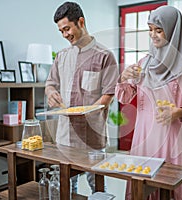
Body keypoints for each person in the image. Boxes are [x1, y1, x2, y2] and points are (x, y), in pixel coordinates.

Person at [115, 5, 182, 200]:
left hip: (173, 139)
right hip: (144, 138)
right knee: (142, 185)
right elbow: (124, 97)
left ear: (173, 30)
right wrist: (123, 78)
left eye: (158, 30)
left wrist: (180, 112)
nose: (153, 35)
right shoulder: (144, 63)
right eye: (150, 29)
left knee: (169, 187)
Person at [45, 1, 119, 194]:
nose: (65, 35)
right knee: (67, 186)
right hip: (65, 136)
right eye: (61, 31)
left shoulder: (105, 56)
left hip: (92, 136)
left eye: (67, 28)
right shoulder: (61, 56)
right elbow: (50, 83)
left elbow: (109, 94)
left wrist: (88, 111)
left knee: (98, 187)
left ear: (81, 22)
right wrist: (51, 93)